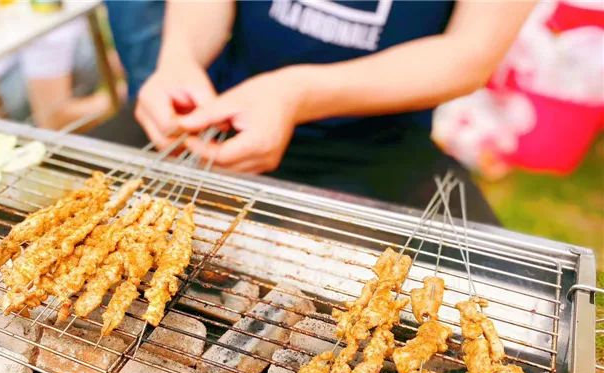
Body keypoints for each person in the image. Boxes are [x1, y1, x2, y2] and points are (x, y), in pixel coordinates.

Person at [104, 0, 536, 223]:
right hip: (214, 119)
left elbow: (471, 53)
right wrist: (179, 58)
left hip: (377, 146)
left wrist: (297, 94)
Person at [0, 18, 122, 130]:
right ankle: (25, 136)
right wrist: (131, 93)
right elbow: (53, 120)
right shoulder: (50, 14)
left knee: (86, 52)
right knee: (82, 50)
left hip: (2, 71)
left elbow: (99, 61)